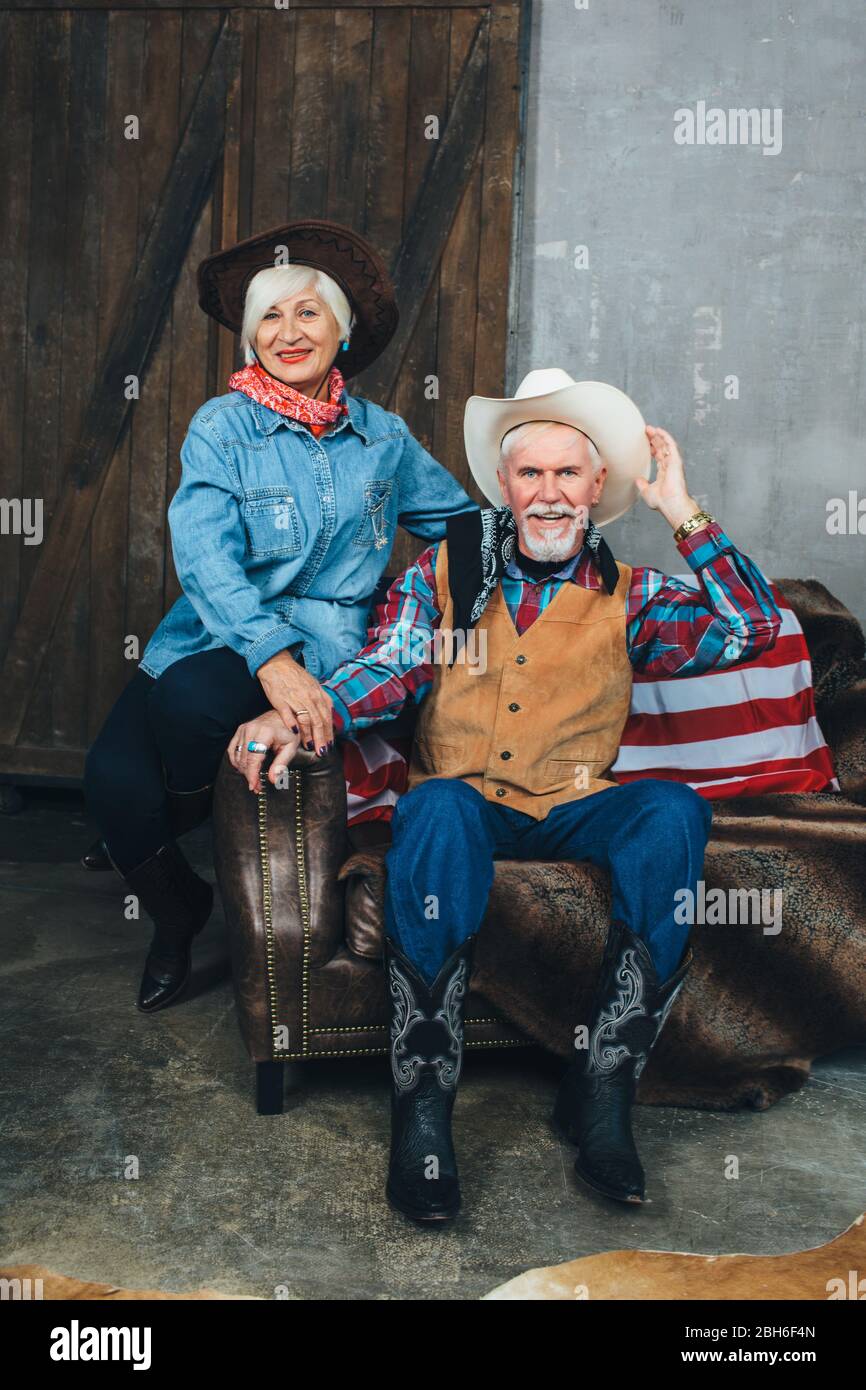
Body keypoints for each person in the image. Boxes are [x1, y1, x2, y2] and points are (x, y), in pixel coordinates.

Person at [230, 367, 782, 1221]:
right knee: (437, 803)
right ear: (506, 487)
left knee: (672, 807)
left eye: (569, 474)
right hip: (467, 808)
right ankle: (422, 1112)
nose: (551, 494)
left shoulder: (632, 597)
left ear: (598, 488)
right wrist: (299, 713)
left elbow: (751, 625)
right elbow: (388, 669)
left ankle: (602, 1094)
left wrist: (682, 509)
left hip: (573, 806)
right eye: (531, 474)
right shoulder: (444, 578)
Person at [83, 219, 478, 1015]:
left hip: (328, 643)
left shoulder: (386, 439)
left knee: (189, 706)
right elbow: (203, 555)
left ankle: (173, 812)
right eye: (269, 315)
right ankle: (177, 911)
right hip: (216, 629)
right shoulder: (221, 427)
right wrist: (269, 656)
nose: (287, 332)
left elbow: (466, 525)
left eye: (307, 313)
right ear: (250, 334)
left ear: (342, 330)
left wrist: (472, 616)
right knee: (111, 783)